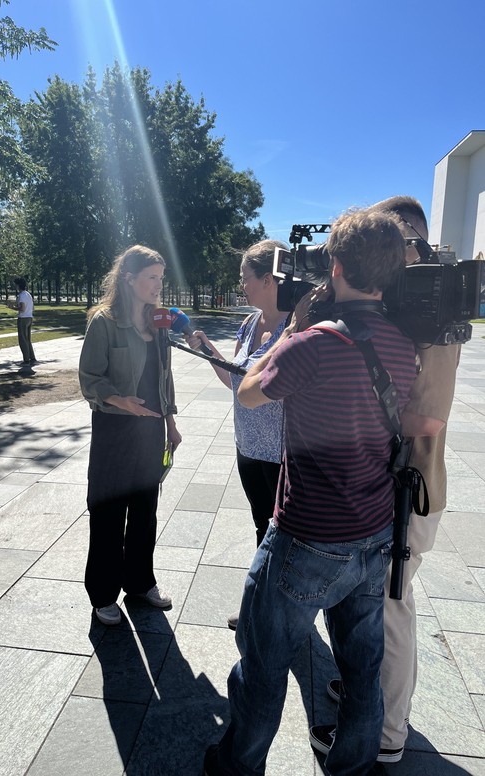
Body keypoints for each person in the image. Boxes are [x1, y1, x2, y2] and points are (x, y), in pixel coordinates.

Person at [203, 208, 418, 776]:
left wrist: (295, 328)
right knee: (363, 669)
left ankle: (236, 765)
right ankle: (353, 767)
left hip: (306, 535)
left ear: (336, 265)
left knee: (263, 666)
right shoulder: (401, 344)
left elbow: (249, 393)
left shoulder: (312, 344)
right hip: (374, 532)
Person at [323, 196, 461, 763]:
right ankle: (365, 691)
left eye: (395, 243)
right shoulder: (397, 309)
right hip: (382, 484)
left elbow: (426, 416)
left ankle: (386, 734)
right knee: (366, 603)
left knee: (390, 607)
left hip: (410, 486)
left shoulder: (437, 311)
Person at [186, 240, 289, 630]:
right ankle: (266, 605)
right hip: (248, 445)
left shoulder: (297, 325)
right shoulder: (249, 323)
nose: (241, 285)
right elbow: (236, 381)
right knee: (262, 527)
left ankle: (271, 609)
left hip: (283, 452)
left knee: (282, 535)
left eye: (245, 279)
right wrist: (207, 348)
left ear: (268, 279)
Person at [78, 245, 182, 627]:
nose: (158, 285)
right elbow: (90, 378)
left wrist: (170, 421)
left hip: (151, 430)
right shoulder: (104, 321)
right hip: (115, 429)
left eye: (161, 277)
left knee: (145, 513)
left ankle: (140, 583)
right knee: (107, 514)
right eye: (151, 277)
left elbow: (163, 378)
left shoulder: (158, 322)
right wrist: (121, 400)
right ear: (129, 279)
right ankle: (103, 595)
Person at [13, 277, 37, 366]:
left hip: (23, 318)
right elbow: (32, 307)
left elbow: (22, 308)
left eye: (16, 284)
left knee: (22, 339)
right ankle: (32, 357)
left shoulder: (21, 295)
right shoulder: (28, 294)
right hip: (29, 317)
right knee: (28, 339)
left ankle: (26, 360)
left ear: (19, 285)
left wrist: (12, 307)